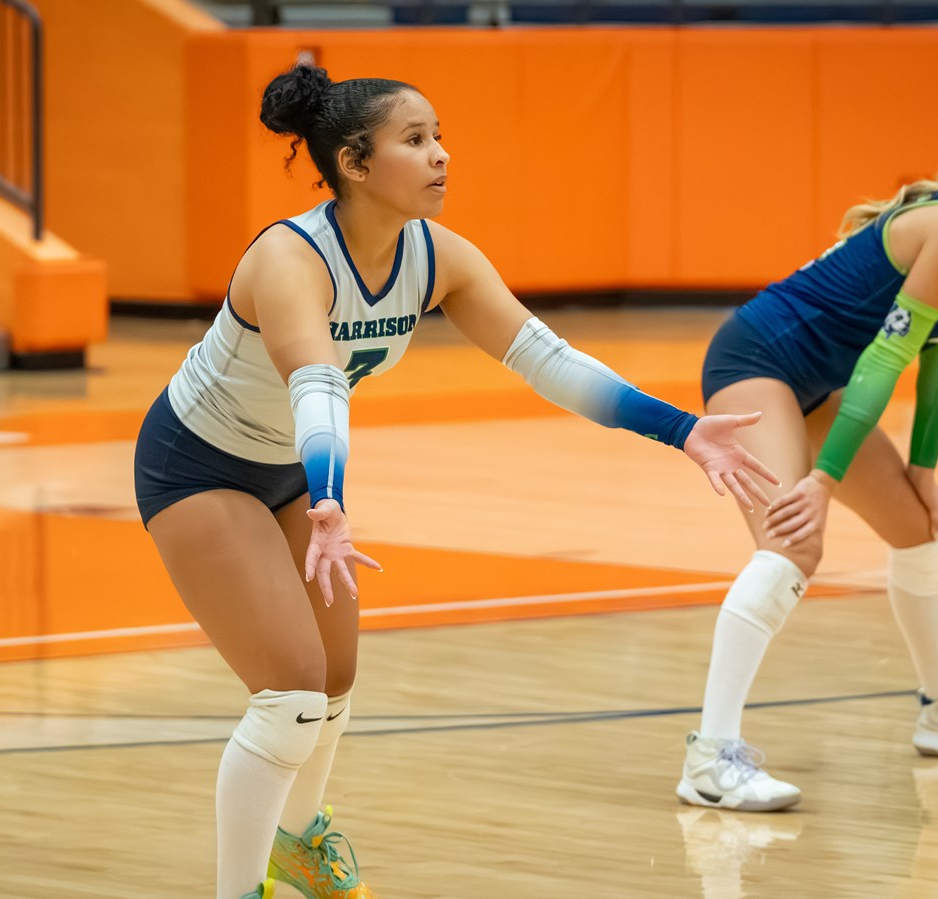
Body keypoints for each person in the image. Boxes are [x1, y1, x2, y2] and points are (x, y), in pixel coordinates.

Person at [134, 62, 778, 899]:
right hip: (198, 463)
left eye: (440, 137)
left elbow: (547, 361)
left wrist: (683, 429)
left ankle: (296, 842)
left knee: (332, 680)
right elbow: (316, 387)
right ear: (356, 165)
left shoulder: (438, 257)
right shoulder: (289, 259)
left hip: (297, 471)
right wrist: (329, 496)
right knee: (290, 689)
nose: (440, 155)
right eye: (415, 140)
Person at [680, 98, 938, 813]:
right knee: (792, 544)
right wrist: (825, 477)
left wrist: (923, 468)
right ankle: (711, 760)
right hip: (759, 359)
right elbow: (887, 353)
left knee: (922, 529)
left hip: (819, 380)